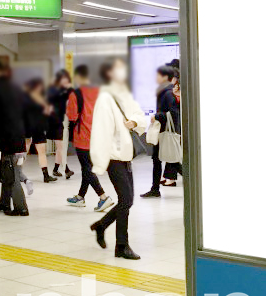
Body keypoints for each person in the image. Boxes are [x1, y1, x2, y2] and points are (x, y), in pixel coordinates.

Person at [89, 57, 148, 260]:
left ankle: (101, 225)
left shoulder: (126, 95)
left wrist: (134, 122)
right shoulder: (105, 98)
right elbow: (101, 132)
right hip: (114, 157)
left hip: (126, 156)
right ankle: (121, 246)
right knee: (126, 200)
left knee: (128, 200)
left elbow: (140, 115)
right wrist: (99, 161)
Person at [0, 55, 30, 216]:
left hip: (6, 138)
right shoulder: (16, 88)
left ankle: (21, 207)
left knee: (12, 174)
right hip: (17, 136)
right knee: (7, 171)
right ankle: (3, 203)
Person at [65, 64, 113, 212]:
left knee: (87, 168)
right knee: (87, 167)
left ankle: (103, 197)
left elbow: (72, 116)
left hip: (83, 136)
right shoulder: (101, 92)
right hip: (99, 135)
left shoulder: (76, 94)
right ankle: (80, 197)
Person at [141, 65, 180, 198]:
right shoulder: (164, 91)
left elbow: (174, 114)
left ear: (164, 77)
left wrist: (157, 116)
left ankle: (194, 180)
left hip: (165, 133)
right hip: (161, 132)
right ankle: (155, 189)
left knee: (171, 161)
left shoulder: (168, 93)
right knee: (158, 159)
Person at [24, 78, 56, 183]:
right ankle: (45, 175)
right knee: (41, 152)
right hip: (38, 126)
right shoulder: (41, 99)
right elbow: (48, 111)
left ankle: (17, 172)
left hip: (28, 126)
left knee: (24, 150)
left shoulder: (25, 98)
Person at [47, 69, 75, 180]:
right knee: (61, 147)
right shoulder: (54, 91)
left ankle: (56, 169)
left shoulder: (67, 91)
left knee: (61, 147)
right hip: (55, 122)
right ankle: (65, 169)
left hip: (62, 122)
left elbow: (72, 96)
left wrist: (69, 87)